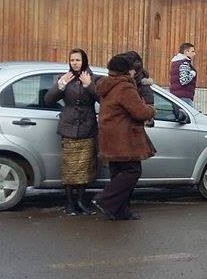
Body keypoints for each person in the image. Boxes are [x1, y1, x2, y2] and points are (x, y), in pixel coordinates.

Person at [93, 55, 156, 221]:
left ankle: (120, 211)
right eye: (131, 68)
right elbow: (140, 112)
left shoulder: (106, 84)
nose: (134, 71)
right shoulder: (124, 87)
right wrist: (151, 110)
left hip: (109, 136)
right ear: (126, 70)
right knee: (132, 171)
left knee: (118, 172)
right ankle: (105, 199)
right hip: (123, 138)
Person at [44, 49, 100, 216]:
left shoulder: (93, 77)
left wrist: (89, 86)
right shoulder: (64, 77)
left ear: (84, 61)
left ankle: (82, 201)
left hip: (87, 128)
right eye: (72, 60)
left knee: (85, 168)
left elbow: (102, 99)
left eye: (78, 59)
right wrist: (60, 85)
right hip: (68, 128)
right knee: (69, 169)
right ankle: (69, 203)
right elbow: (48, 100)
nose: (75, 62)